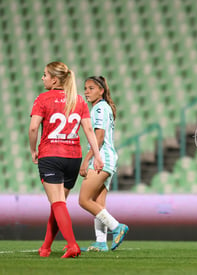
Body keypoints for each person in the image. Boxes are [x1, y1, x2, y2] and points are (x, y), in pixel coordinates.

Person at [29, 61, 104, 258]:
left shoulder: (43, 99)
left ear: (54, 80)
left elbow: (33, 128)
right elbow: (88, 130)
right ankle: (45, 247)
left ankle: (72, 245)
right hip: (73, 158)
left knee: (57, 203)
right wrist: (97, 155)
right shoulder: (78, 100)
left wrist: (32, 149)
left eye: (45, 74)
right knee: (58, 203)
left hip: (51, 155)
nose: (42, 78)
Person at [78, 76, 128, 252]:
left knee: (84, 200)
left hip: (101, 158)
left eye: (91, 88)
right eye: (85, 88)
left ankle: (117, 227)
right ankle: (101, 241)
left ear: (101, 90)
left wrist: (87, 159)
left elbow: (98, 138)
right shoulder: (103, 108)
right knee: (99, 203)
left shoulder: (99, 109)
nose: (86, 91)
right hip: (108, 158)